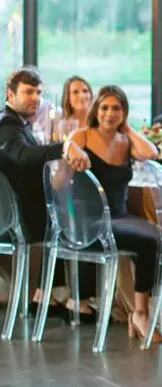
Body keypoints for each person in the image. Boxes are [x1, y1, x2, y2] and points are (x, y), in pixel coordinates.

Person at [67, 85, 162, 343]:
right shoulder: (83, 135)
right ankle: (140, 313)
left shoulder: (125, 140)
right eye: (104, 107)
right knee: (149, 239)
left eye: (116, 108)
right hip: (91, 221)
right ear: (96, 110)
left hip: (119, 216)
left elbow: (150, 153)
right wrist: (72, 150)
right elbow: (69, 147)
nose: (109, 113)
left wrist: (127, 128)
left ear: (124, 112)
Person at [0, 68, 91, 313]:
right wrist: (64, 148)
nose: (36, 98)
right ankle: (79, 299)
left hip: (21, 215)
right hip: (19, 219)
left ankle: (54, 294)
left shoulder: (19, 124)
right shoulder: (7, 123)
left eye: (38, 92)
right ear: (10, 94)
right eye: (28, 92)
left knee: (72, 210)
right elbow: (20, 155)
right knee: (82, 217)